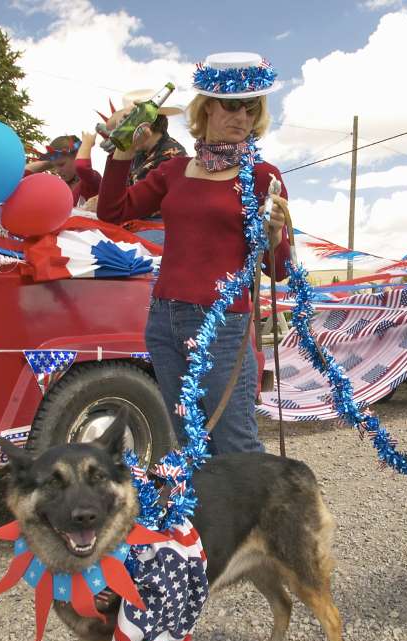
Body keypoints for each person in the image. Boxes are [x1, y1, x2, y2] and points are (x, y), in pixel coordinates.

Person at [98, 53, 288, 456]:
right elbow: (112, 211)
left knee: (236, 443)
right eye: (231, 105)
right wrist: (121, 153)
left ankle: (252, 503)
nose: (242, 116)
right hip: (163, 319)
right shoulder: (175, 170)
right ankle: (201, 502)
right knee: (188, 443)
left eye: (251, 107)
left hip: (223, 326)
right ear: (207, 108)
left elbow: (281, 269)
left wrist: (275, 234)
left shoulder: (262, 176)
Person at [25, 133, 102, 207]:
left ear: (76, 157)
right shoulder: (58, 188)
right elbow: (21, 177)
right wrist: (48, 162)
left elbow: (82, 167)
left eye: (61, 164)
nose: (57, 171)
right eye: (54, 166)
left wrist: (86, 144)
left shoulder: (91, 182)